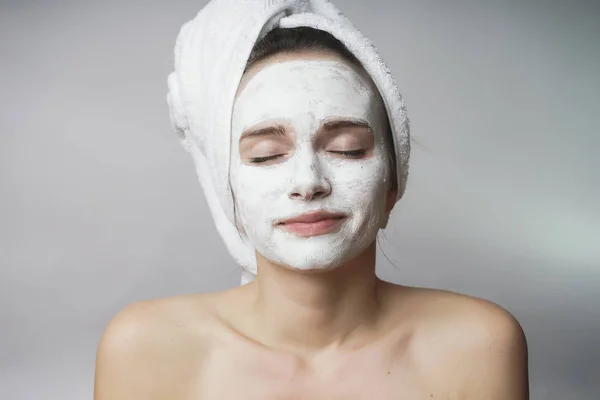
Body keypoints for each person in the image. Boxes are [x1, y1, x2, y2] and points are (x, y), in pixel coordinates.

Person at [94, 4, 528, 400]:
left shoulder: (479, 344)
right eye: (266, 155)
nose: (308, 183)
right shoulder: (145, 348)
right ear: (228, 190)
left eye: (347, 149)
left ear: (393, 183)